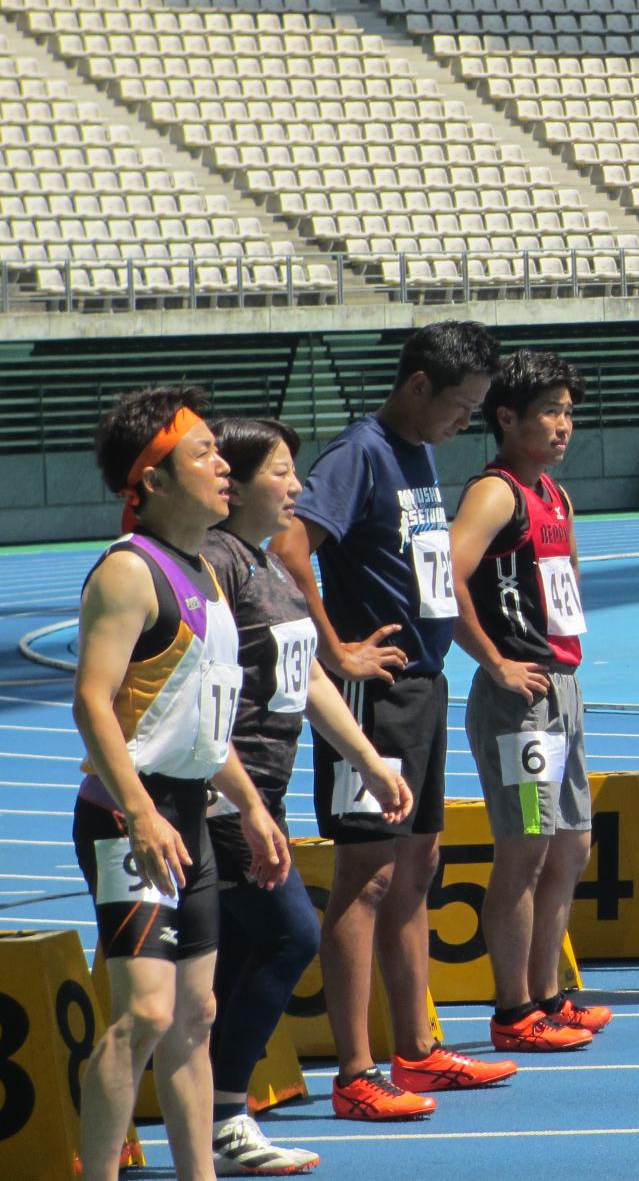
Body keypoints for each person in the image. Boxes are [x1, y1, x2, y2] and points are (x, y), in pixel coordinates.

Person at [269, 321, 512, 1121]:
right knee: (366, 877)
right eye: (460, 405)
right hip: (379, 695)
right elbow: (291, 544)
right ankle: (356, 1071)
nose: (465, 421)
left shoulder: (419, 451)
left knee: (417, 868)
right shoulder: (360, 452)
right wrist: (334, 651)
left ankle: (416, 1049)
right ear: (416, 386)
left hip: (424, 686)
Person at [70, 386, 291, 1181]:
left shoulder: (206, 571)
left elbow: (198, 721)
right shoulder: (130, 574)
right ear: (152, 481)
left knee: (195, 1015)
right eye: (202, 454)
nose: (223, 466)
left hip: (188, 812)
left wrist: (252, 805)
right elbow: (92, 701)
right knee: (145, 1014)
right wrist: (138, 813)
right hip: (132, 817)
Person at [201, 416, 415, 1175]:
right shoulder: (215, 566)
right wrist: (241, 800)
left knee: (234, 955)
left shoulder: (272, 567)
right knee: (291, 935)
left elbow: (311, 677)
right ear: (235, 481)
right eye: (283, 472)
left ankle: (210, 1114)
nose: (297, 486)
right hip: (222, 797)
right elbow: (198, 694)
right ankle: (224, 1117)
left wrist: (369, 758)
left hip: (264, 791)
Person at [449, 351, 612, 1052]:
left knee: (570, 846)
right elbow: (445, 577)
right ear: (507, 417)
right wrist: (493, 662)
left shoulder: (553, 493)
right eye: (550, 411)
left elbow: (562, 587)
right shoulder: (497, 493)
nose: (563, 425)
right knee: (524, 851)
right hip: (520, 702)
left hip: (561, 690)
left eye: (569, 411)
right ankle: (513, 1011)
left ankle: (549, 994)